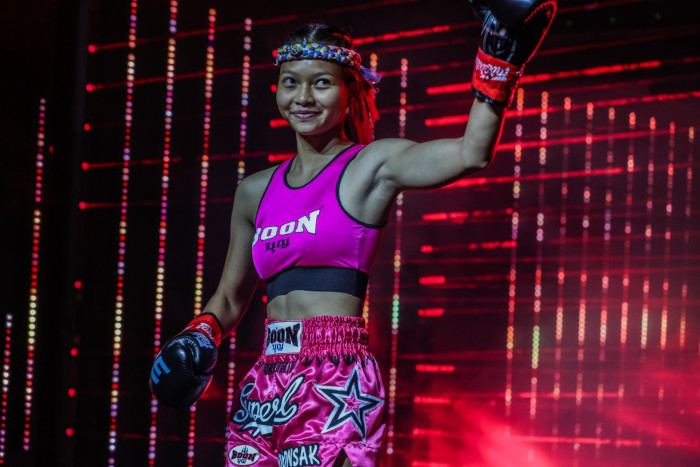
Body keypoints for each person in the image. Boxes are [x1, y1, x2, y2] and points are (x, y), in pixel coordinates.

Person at [149, 1, 557, 465]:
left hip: (336, 379)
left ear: (350, 91)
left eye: (321, 83)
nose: (303, 97)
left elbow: (471, 153)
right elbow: (229, 297)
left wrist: (496, 68)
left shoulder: (371, 166)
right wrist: (201, 333)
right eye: (291, 82)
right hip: (266, 382)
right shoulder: (254, 191)